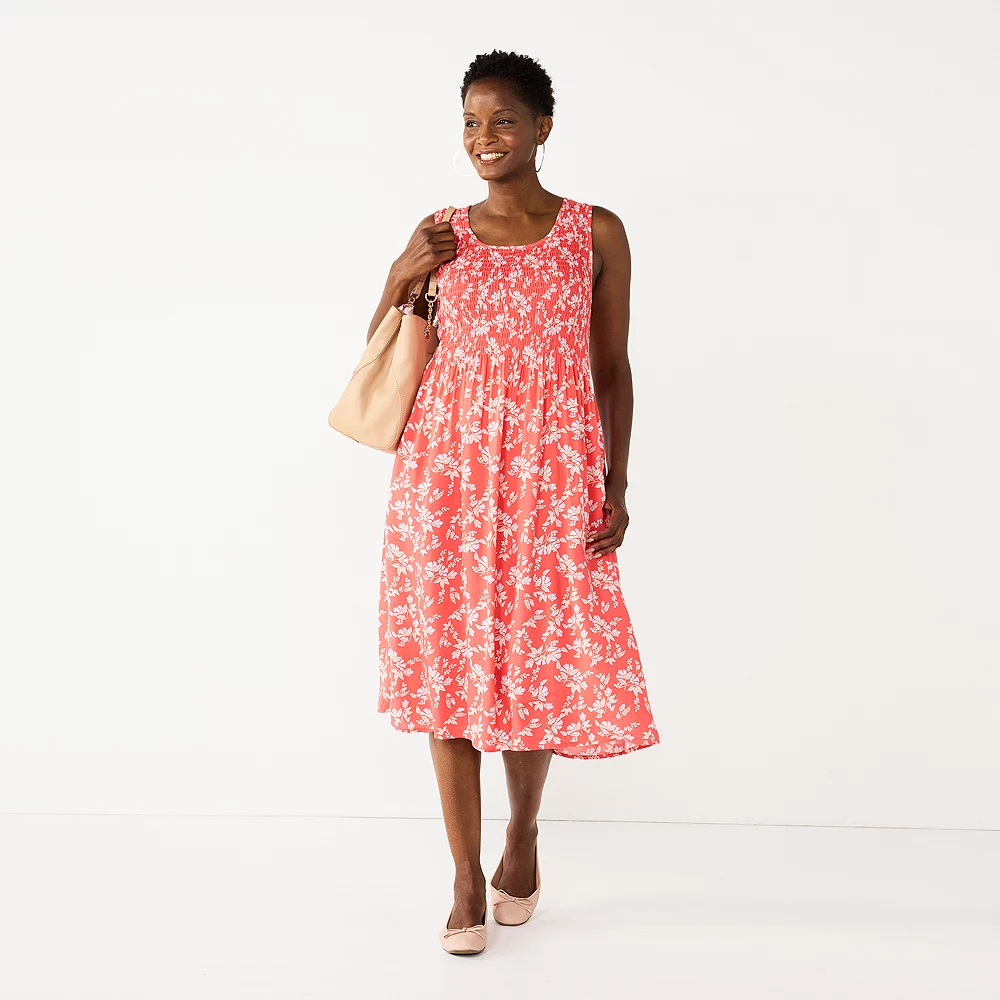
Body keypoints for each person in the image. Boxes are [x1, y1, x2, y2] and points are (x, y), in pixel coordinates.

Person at [368, 49, 660, 955]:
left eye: (501, 120)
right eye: (469, 122)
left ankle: (522, 836)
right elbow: (383, 351)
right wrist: (401, 270)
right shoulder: (439, 233)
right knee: (450, 676)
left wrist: (615, 483)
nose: (483, 138)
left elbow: (612, 369)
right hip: (445, 481)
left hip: (550, 480)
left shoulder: (594, 232)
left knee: (533, 666)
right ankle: (464, 878)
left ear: (542, 127)